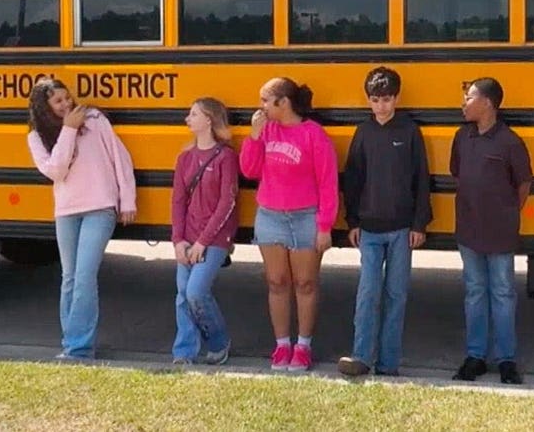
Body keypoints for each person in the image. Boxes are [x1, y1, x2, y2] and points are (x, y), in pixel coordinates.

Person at [26, 77, 136, 360]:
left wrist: (128, 199)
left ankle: (79, 348)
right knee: (70, 278)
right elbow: (55, 171)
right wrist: (68, 131)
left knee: (85, 277)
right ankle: (71, 341)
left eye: (67, 98)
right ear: (44, 107)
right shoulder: (36, 136)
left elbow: (119, 157)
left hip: (100, 207)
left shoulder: (95, 119)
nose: (66, 104)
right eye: (58, 101)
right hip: (66, 210)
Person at [239, 77, 338, 371]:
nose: (261, 107)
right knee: (276, 281)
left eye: (265, 101)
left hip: (305, 216)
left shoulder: (313, 134)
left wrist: (324, 226)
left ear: (284, 103)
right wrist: (254, 137)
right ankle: (282, 345)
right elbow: (249, 169)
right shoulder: (266, 131)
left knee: (305, 283)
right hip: (270, 215)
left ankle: (303, 345)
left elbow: (328, 183)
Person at [338, 66, 431, 377]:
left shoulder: (409, 132)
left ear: (397, 98)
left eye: (387, 99)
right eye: (376, 100)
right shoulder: (363, 133)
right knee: (368, 293)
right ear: (368, 101)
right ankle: (361, 356)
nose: (382, 106)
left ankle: (389, 363)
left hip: (402, 229)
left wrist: (419, 224)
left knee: (397, 295)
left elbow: (421, 180)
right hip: (369, 230)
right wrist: (352, 221)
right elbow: (352, 180)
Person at [449, 77, 532, 385]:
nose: (463, 104)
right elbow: (458, 173)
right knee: (474, 293)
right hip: (469, 231)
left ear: (487, 103)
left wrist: (507, 211)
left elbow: (523, 184)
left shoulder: (510, 142)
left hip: (500, 232)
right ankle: (475, 357)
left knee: (503, 293)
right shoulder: (462, 137)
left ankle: (506, 359)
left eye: (468, 98)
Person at [170, 97, 239, 366]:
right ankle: (183, 352)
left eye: (194, 114)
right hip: (188, 235)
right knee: (182, 293)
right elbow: (177, 201)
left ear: (209, 120)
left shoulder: (225, 157)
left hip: (215, 237)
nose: (188, 119)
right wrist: (178, 239)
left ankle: (219, 341)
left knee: (196, 291)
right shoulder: (185, 158)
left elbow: (226, 202)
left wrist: (202, 242)